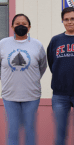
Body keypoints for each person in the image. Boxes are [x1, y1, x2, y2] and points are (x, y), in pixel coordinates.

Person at [0, 14, 47, 145]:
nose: (21, 26)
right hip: (10, 95)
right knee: (13, 131)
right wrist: (5, 77)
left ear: (29, 27)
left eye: (24, 24)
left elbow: (42, 66)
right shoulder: (3, 44)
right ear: (12, 26)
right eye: (17, 23)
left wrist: (32, 78)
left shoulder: (37, 45)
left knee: (29, 131)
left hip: (31, 95)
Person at [47, 7, 74, 145]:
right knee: (60, 134)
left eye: (72, 19)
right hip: (60, 95)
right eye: (66, 19)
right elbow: (52, 63)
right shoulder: (55, 40)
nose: (69, 22)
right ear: (62, 21)